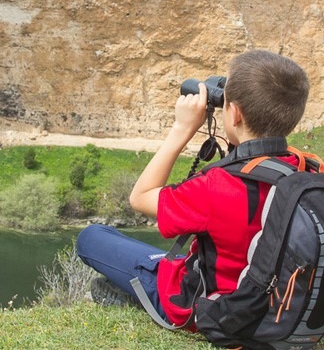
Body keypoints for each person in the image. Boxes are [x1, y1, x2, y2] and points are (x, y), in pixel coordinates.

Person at [76, 50, 310, 329]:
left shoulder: (218, 185)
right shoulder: (305, 170)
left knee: (92, 237)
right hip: (278, 308)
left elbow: (140, 198)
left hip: (213, 310)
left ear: (234, 113)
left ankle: (140, 298)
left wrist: (182, 128)